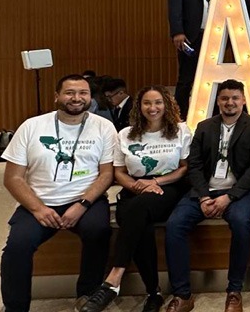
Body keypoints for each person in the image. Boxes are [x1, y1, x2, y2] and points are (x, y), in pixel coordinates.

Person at [0, 74, 118, 312]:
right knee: (16, 247)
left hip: (85, 200)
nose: (76, 98)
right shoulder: (32, 126)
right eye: (70, 93)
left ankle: (86, 293)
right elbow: (12, 178)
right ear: (57, 97)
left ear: (90, 97)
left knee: (98, 231)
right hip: (40, 201)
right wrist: (38, 208)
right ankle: (15, 307)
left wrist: (83, 204)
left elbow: (107, 174)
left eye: (83, 93)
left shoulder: (104, 126)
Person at [80, 86, 192, 312]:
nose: (153, 108)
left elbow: (184, 169)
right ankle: (154, 293)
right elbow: (119, 171)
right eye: (147, 103)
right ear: (139, 107)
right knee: (141, 224)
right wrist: (136, 186)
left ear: (167, 105)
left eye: (158, 102)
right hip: (135, 187)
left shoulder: (180, 130)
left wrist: (155, 183)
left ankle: (113, 279)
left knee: (135, 212)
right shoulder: (125, 134)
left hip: (167, 187)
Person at [163, 79, 250, 312]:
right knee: (174, 225)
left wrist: (229, 197)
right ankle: (182, 295)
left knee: (241, 223)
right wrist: (203, 196)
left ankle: (234, 291)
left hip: (241, 192)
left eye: (234, 98)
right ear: (218, 101)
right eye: (224, 98)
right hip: (204, 191)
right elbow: (195, 164)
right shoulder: (204, 126)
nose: (229, 103)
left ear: (243, 100)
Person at [168, 0, 226, 119]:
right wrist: (177, 32)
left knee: (216, 78)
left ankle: (215, 116)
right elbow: (174, 5)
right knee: (187, 78)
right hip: (192, 36)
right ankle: (179, 117)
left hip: (217, 36)